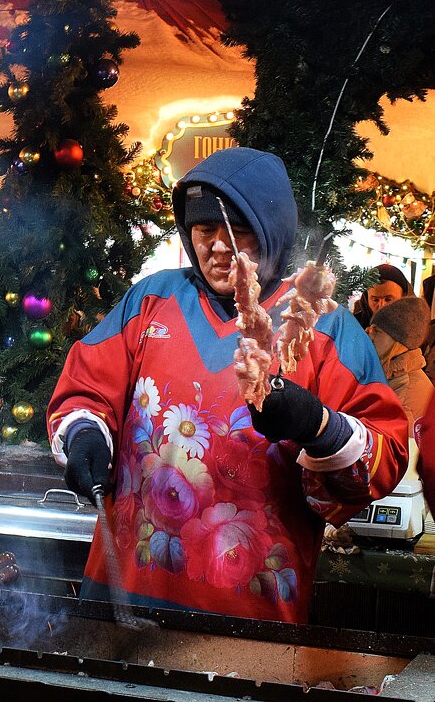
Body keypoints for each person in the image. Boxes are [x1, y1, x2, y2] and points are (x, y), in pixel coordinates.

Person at [49, 147, 408, 624]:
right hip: (122, 602)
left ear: (272, 232)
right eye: (204, 230)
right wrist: (85, 432)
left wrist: (318, 425)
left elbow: (384, 457)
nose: (218, 247)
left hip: (251, 620)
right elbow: (86, 386)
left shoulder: (326, 328)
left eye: (238, 231)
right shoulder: (152, 299)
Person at [366, 296, 432, 480]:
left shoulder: (406, 385)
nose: (369, 335)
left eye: (377, 331)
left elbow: (401, 456)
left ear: (398, 341)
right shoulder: (394, 375)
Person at [353, 263, 410, 328]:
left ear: (403, 297)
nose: (381, 306)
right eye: (375, 300)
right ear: (366, 298)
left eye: (388, 299)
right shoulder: (352, 326)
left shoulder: (415, 328)